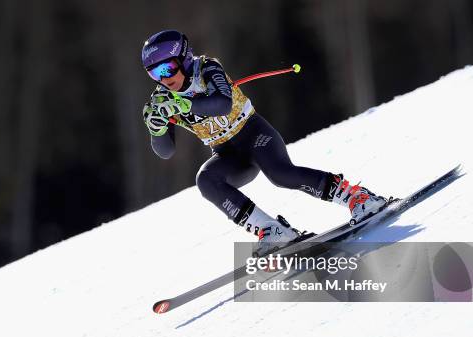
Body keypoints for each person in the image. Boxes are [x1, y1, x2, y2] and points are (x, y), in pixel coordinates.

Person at [141, 29, 387, 250]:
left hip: (253, 134)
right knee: (206, 180)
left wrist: (185, 103)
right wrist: (157, 129)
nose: (163, 78)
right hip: (227, 154)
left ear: (184, 58)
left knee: (280, 174)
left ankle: (358, 197)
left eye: (168, 68)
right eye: (154, 73)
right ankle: (272, 230)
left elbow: (223, 104)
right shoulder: (163, 98)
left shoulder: (206, 68)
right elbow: (165, 152)